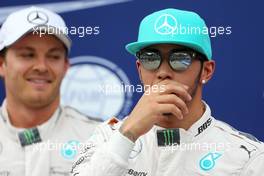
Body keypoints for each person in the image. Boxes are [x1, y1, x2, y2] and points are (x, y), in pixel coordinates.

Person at [71, 8, 264, 176]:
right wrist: (127, 135)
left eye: (180, 58)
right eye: (150, 58)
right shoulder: (107, 137)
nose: (163, 72)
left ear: (207, 70)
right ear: (139, 69)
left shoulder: (247, 157)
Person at [0, 6, 101, 176]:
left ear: (66, 66)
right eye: (27, 55)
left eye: (53, 56)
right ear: (2, 64)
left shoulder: (98, 138)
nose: (41, 67)